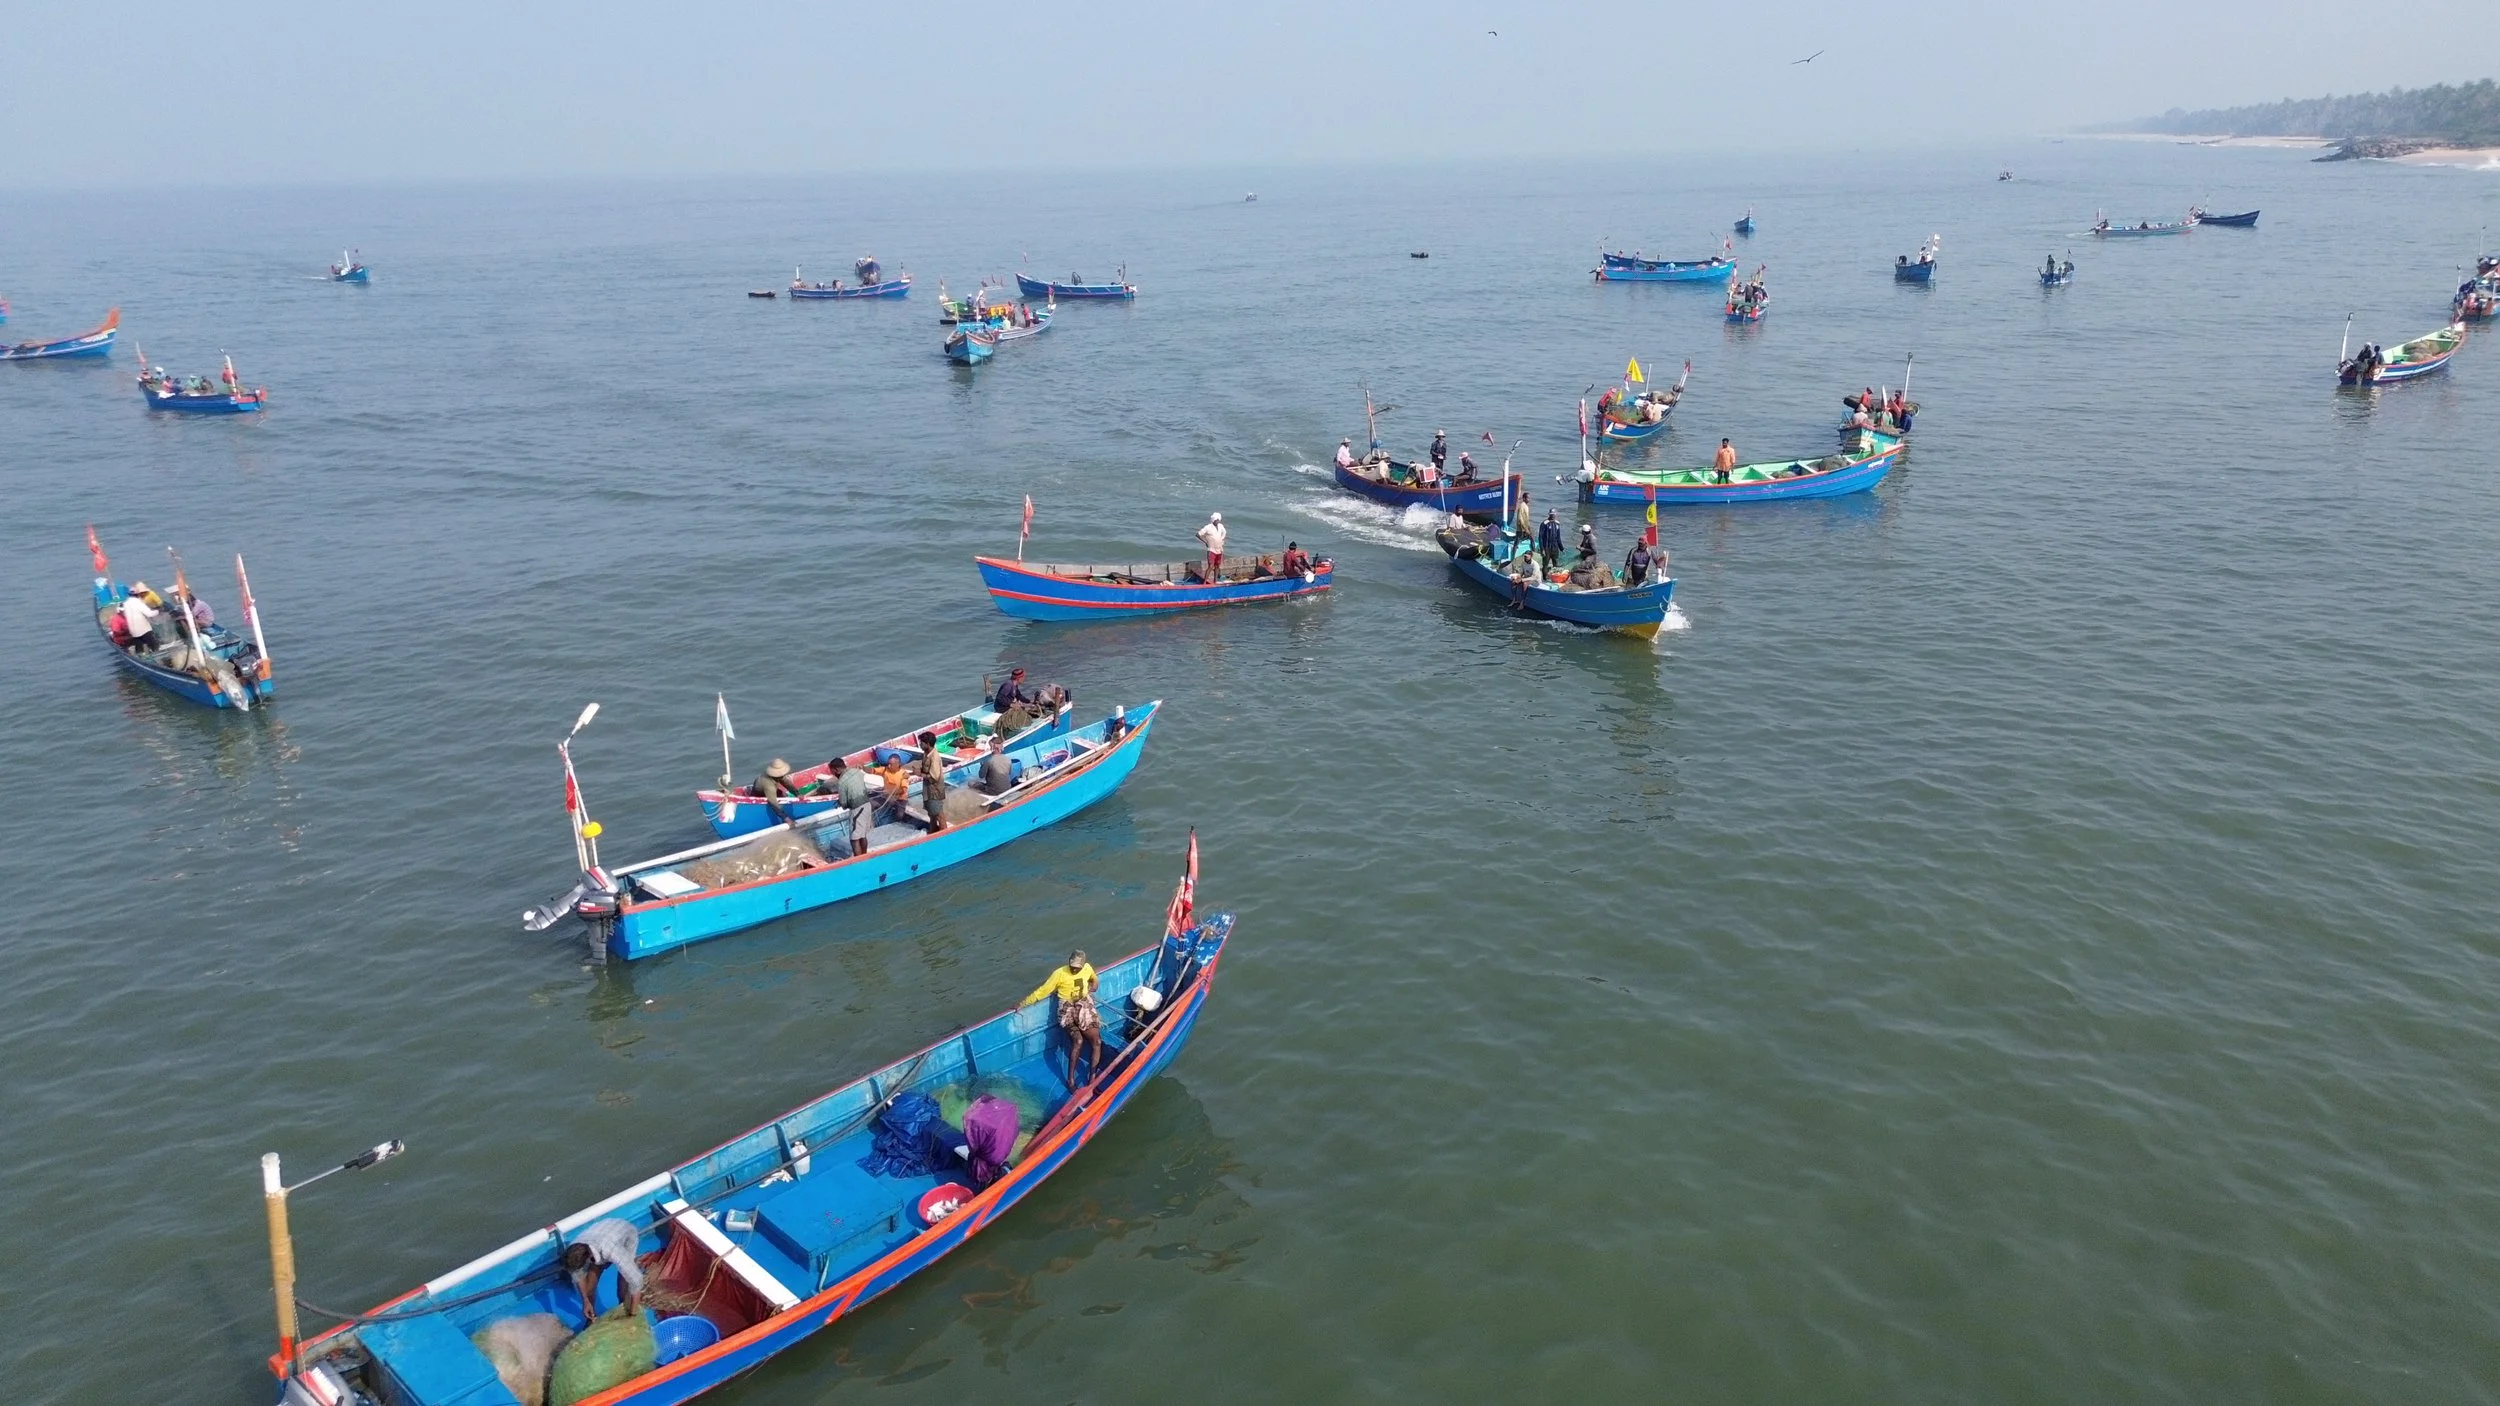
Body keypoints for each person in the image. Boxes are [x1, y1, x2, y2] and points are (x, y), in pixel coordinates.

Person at [1021, 949, 1102, 1087]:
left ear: (1083, 965)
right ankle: (1071, 1080)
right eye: (1072, 966)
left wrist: (1094, 985)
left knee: (1097, 1042)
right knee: (1078, 1041)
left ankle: (1092, 1079)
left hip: (1083, 1003)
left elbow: (1094, 980)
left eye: (1078, 968)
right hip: (1066, 1007)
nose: (1075, 970)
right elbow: (1043, 990)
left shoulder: (1087, 968)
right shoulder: (1059, 974)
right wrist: (1023, 1003)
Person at [561, 1218, 644, 1322]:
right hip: (598, 1237)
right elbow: (578, 1276)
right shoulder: (573, 1251)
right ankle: (591, 1317)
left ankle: (626, 1311)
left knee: (623, 1286)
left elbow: (636, 1280)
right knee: (589, 1288)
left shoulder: (610, 1250)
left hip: (625, 1235)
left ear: (587, 1257)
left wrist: (633, 1315)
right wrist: (585, 1301)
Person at [917, 731, 950, 832]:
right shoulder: (926, 754)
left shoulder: (934, 757)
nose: (920, 745)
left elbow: (934, 777)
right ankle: (933, 832)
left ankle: (945, 834)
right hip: (928, 789)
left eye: (921, 743)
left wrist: (919, 774)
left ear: (927, 743)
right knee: (931, 814)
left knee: (939, 814)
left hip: (934, 790)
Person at [753, 759, 802, 823]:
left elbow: (786, 783)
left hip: (768, 788)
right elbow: (774, 803)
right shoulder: (769, 785)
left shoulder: (777, 776)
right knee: (776, 801)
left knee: (784, 794)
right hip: (761, 794)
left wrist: (797, 794)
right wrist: (786, 818)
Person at [876, 753, 915, 823]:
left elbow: (903, 790)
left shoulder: (903, 774)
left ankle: (906, 822)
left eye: (891, 764)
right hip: (887, 797)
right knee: (873, 803)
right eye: (888, 764)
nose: (888, 766)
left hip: (900, 799)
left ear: (897, 764)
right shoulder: (885, 770)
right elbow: (873, 770)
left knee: (899, 815)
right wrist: (863, 768)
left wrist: (890, 792)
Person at [119, 586, 161, 650]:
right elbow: (149, 614)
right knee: (154, 645)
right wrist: (158, 611)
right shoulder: (138, 602)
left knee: (139, 647)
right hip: (143, 629)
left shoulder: (125, 604)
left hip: (133, 630)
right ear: (137, 594)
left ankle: (140, 656)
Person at [1195, 511, 1226, 579]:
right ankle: (1205, 582)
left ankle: (1215, 581)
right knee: (1211, 566)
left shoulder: (1221, 526)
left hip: (1219, 549)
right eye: (1216, 520)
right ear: (1214, 520)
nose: (1217, 521)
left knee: (1217, 566)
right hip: (1211, 549)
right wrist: (1205, 542)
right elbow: (1198, 534)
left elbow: (1224, 532)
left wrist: (1222, 539)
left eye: (1218, 520)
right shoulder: (1208, 527)